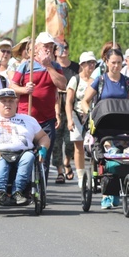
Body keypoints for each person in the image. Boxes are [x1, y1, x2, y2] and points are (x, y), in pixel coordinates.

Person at [81, 47, 129, 209]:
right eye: (113, 63)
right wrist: (90, 114)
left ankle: (120, 189)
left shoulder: (127, 82)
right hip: (104, 124)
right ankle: (106, 195)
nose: (116, 66)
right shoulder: (100, 81)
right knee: (104, 150)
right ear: (106, 62)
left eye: (119, 63)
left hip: (122, 124)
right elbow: (85, 101)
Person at [10, 32, 67, 180]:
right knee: (24, 155)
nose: (48, 49)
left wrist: (48, 66)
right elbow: (12, 86)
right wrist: (24, 90)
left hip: (47, 120)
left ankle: (41, 191)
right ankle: (22, 186)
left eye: (50, 46)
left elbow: (62, 84)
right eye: (45, 46)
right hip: (26, 117)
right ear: (36, 48)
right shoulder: (25, 66)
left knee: (44, 156)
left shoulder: (55, 66)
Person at [65, 51, 96, 188]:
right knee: (79, 146)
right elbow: (69, 101)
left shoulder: (95, 81)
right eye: (89, 63)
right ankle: (81, 175)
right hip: (77, 114)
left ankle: (93, 175)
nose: (91, 66)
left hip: (91, 116)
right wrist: (69, 119)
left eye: (93, 63)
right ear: (82, 65)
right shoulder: (75, 80)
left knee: (93, 147)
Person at [52, 41, 79, 184]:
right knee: (56, 141)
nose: (62, 51)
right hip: (55, 103)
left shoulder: (75, 68)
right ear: (55, 51)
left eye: (65, 48)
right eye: (59, 48)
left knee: (70, 141)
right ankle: (60, 171)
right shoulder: (53, 67)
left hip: (71, 106)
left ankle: (67, 161)